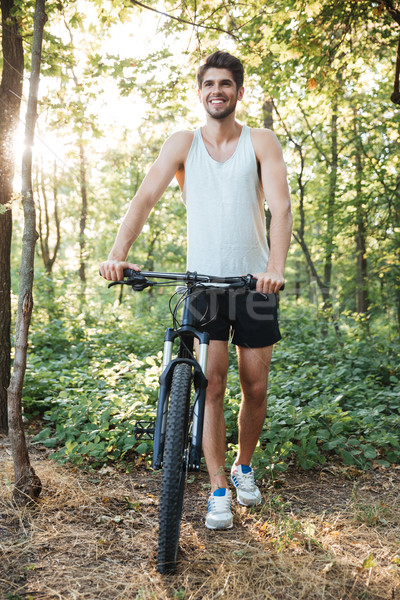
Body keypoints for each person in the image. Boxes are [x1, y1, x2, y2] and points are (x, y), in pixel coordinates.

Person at [100, 51, 292, 530]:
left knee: (256, 386)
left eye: (226, 83)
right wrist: (118, 253)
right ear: (200, 91)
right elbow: (144, 197)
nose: (217, 91)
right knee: (212, 388)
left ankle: (245, 467)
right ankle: (218, 487)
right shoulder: (182, 143)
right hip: (202, 286)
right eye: (209, 83)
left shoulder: (261, 141)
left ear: (239, 92)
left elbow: (282, 208)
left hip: (253, 285)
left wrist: (274, 267)